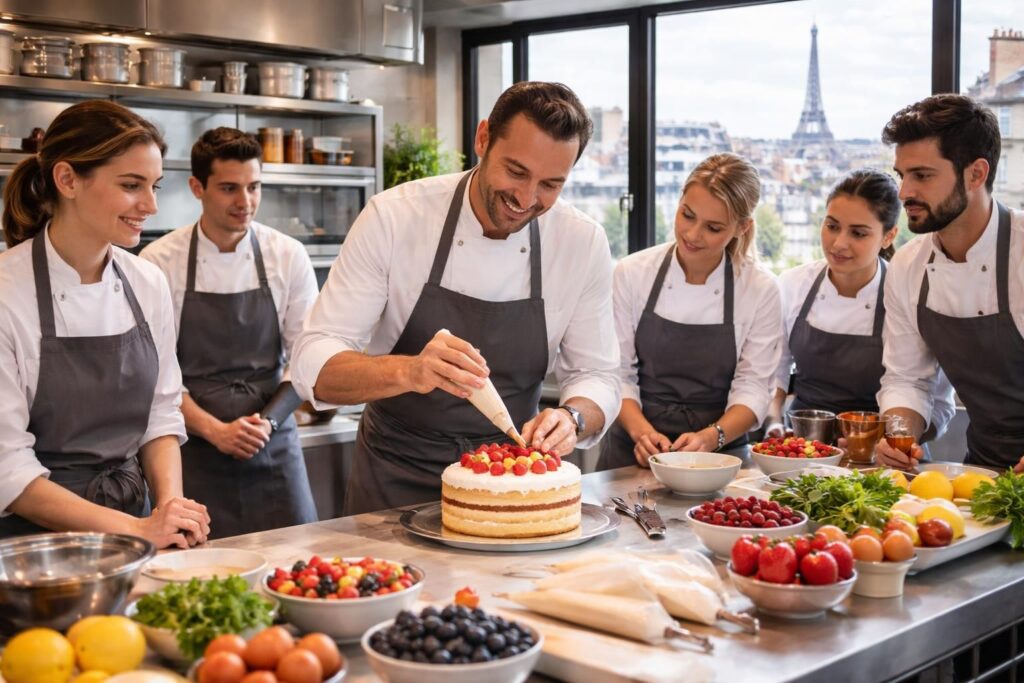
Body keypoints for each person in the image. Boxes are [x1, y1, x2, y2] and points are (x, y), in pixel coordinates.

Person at [291, 81, 620, 514]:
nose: (526, 199)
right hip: (396, 478)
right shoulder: (395, 218)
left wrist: (573, 418)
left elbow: (599, 375)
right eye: (516, 172)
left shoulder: (581, 241)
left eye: (550, 185)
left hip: (512, 482)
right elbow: (312, 363)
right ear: (483, 139)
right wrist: (409, 371)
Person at [0, 100, 210, 547]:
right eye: (132, 185)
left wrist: (169, 510)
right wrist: (138, 530)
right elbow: (6, 469)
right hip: (30, 549)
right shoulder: (6, 292)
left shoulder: (147, 282)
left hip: (135, 534)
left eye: (154, 185)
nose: (150, 205)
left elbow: (160, 413)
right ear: (67, 179)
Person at [141, 127, 318, 537]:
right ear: (196, 187)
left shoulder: (287, 255)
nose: (246, 202)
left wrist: (267, 424)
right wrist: (215, 431)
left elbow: (307, 356)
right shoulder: (158, 262)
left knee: (296, 562)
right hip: (192, 452)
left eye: (254, 187)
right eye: (229, 188)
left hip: (272, 445)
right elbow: (155, 375)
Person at [597, 153, 782, 470]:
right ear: (679, 202)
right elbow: (617, 374)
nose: (693, 234)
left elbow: (753, 387)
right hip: (631, 451)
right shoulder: (632, 273)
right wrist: (642, 432)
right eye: (687, 215)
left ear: (742, 227)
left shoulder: (760, 289)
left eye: (713, 227)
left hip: (720, 458)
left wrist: (712, 437)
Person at [875, 94, 1024, 472]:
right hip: (983, 472)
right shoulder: (909, 266)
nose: (904, 192)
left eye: (922, 175)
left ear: (976, 173)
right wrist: (897, 434)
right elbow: (908, 379)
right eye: (902, 175)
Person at [765, 169, 955, 441]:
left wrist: (895, 442)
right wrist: (773, 421)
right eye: (832, 226)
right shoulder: (792, 285)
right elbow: (775, 375)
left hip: (886, 453)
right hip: (803, 446)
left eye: (858, 233)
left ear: (888, 236)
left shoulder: (908, 294)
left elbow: (937, 401)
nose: (839, 243)